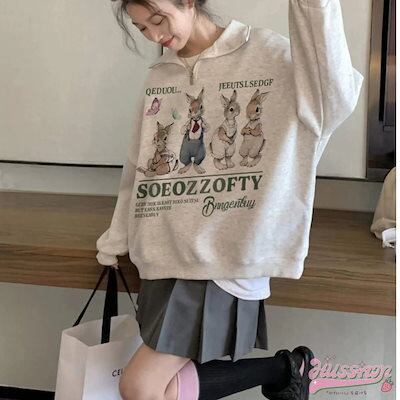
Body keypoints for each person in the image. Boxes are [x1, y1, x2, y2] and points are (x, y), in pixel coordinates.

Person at [96, 0, 364, 399]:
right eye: (142, 29)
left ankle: (284, 370)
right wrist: (117, 239)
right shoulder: (161, 74)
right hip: (162, 254)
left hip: (225, 256)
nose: (155, 36)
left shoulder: (268, 54)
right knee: (165, 388)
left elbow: (334, 98)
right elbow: (139, 166)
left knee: (140, 385)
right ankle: (285, 370)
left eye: (158, 19)